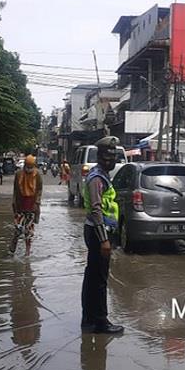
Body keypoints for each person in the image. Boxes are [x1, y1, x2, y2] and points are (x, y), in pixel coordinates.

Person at [80, 136, 123, 334]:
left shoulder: (102, 175)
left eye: (113, 157)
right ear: (101, 158)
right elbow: (96, 210)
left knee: (92, 277)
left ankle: (89, 319)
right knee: (99, 279)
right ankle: (100, 321)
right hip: (99, 232)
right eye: (107, 157)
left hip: (98, 231)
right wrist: (104, 240)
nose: (111, 161)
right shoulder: (97, 178)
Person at [11, 155, 43, 256]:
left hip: (31, 205)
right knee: (18, 228)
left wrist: (37, 203)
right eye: (27, 167)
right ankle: (14, 244)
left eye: (31, 167)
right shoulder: (19, 174)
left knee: (28, 230)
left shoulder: (37, 175)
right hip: (20, 205)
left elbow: (39, 190)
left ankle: (27, 251)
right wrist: (14, 204)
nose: (29, 169)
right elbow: (15, 190)